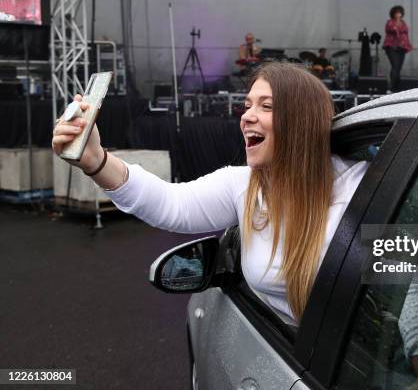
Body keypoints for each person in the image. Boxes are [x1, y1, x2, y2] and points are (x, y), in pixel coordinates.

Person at [51, 62, 368, 326]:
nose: (246, 117)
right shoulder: (244, 185)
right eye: (247, 106)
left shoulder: (359, 187)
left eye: (266, 106)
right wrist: (95, 161)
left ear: (302, 121)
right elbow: (171, 204)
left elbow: (411, 286)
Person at [383, 5, 413, 92]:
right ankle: (391, 87)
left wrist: (408, 45)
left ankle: (397, 88)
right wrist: (396, 25)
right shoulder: (390, 22)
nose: (398, 14)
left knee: (399, 67)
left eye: (399, 13)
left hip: (402, 47)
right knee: (395, 65)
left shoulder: (403, 23)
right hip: (391, 46)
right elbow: (390, 29)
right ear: (393, 14)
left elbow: (406, 34)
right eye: (396, 13)